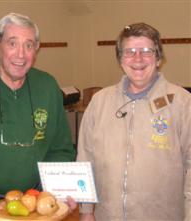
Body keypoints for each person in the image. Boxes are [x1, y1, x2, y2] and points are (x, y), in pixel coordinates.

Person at [0, 13, 76, 221]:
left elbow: (61, 148)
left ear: (36, 50)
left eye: (29, 45)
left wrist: (58, 189)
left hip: (33, 205)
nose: (21, 54)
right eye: (12, 43)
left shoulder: (47, 87)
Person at [77, 23, 191, 221]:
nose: (138, 58)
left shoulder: (182, 102)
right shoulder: (99, 101)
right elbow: (85, 159)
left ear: (158, 58)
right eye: (129, 52)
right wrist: (86, 211)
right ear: (120, 59)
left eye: (146, 51)